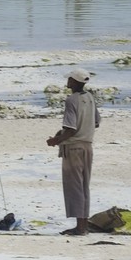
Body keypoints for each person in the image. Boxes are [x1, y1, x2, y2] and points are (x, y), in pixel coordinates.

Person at [46, 68, 102, 235]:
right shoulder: (90, 98)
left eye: (70, 79)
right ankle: (83, 225)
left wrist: (55, 140)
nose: (68, 81)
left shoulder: (72, 100)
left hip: (74, 148)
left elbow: (70, 129)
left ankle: (80, 228)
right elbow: (96, 122)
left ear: (75, 82)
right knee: (84, 186)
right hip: (87, 147)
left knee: (75, 187)